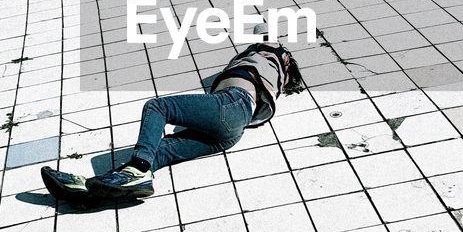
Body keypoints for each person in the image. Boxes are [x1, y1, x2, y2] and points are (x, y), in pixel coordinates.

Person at [41, 41, 305, 202]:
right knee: (163, 148)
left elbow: (266, 33)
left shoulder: (271, 53)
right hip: (232, 132)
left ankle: (140, 169)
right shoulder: (273, 79)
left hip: (232, 103)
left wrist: (272, 45)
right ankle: (89, 190)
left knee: (158, 107)